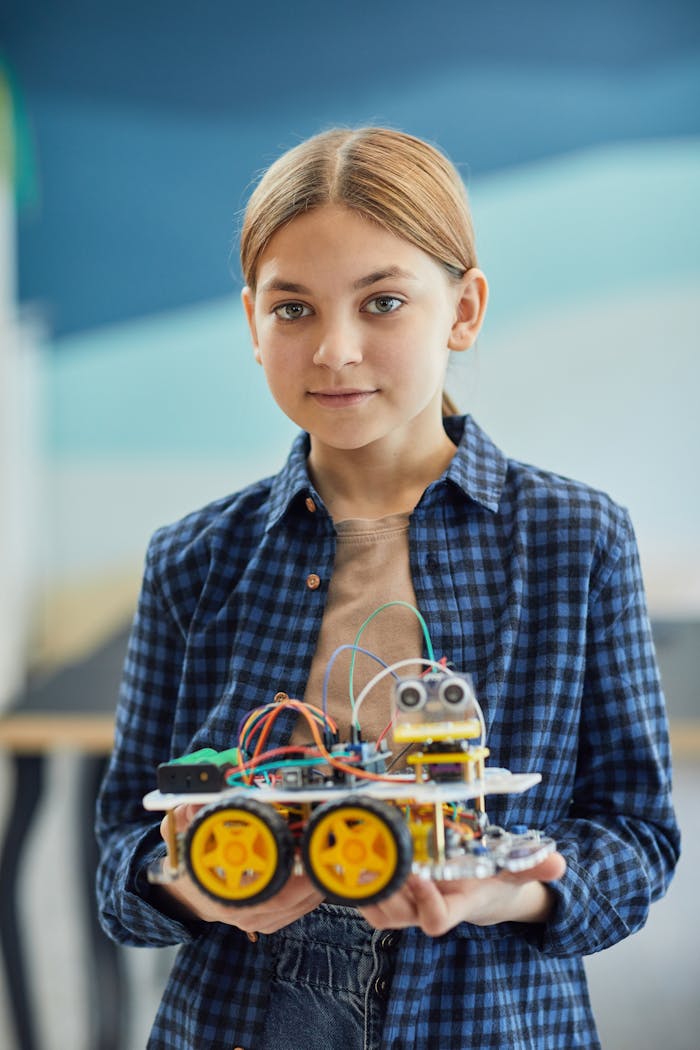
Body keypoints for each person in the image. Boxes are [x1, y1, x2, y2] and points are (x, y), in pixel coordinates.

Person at [96, 126, 680, 1050]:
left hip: (491, 1021)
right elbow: (124, 848)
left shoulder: (578, 540)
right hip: (238, 1021)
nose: (334, 350)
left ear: (464, 309)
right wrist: (191, 883)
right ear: (252, 322)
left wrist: (507, 890)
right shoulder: (194, 557)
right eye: (293, 310)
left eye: (383, 302)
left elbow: (638, 837)